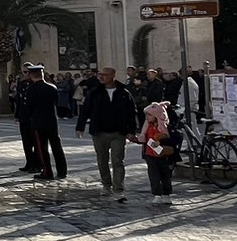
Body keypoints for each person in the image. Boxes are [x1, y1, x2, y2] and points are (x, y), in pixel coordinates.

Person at [78, 68, 138, 202]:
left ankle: (118, 188)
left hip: (118, 132)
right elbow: (85, 110)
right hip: (99, 132)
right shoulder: (94, 93)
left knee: (117, 160)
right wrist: (80, 127)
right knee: (102, 160)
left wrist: (131, 131)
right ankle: (106, 184)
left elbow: (131, 113)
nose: (102, 77)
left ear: (112, 76)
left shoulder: (123, 93)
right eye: (100, 74)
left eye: (105, 75)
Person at [21, 64, 66, 180]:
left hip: (38, 122)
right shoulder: (52, 88)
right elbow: (56, 103)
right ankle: (62, 171)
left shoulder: (31, 89)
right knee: (57, 146)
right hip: (52, 121)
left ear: (31, 75)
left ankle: (47, 172)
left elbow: (29, 107)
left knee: (42, 149)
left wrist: (33, 118)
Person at [136, 100, 177, 206]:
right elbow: (144, 139)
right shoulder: (147, 127)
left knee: (165, 174)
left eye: (149, 115)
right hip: (150, 154)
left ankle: (166, 194)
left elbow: (170, 139)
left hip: (162, 154)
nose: (147, 117)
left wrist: (160, 141)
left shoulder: (164, 127)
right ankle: (157, 194)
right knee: (153, 175)